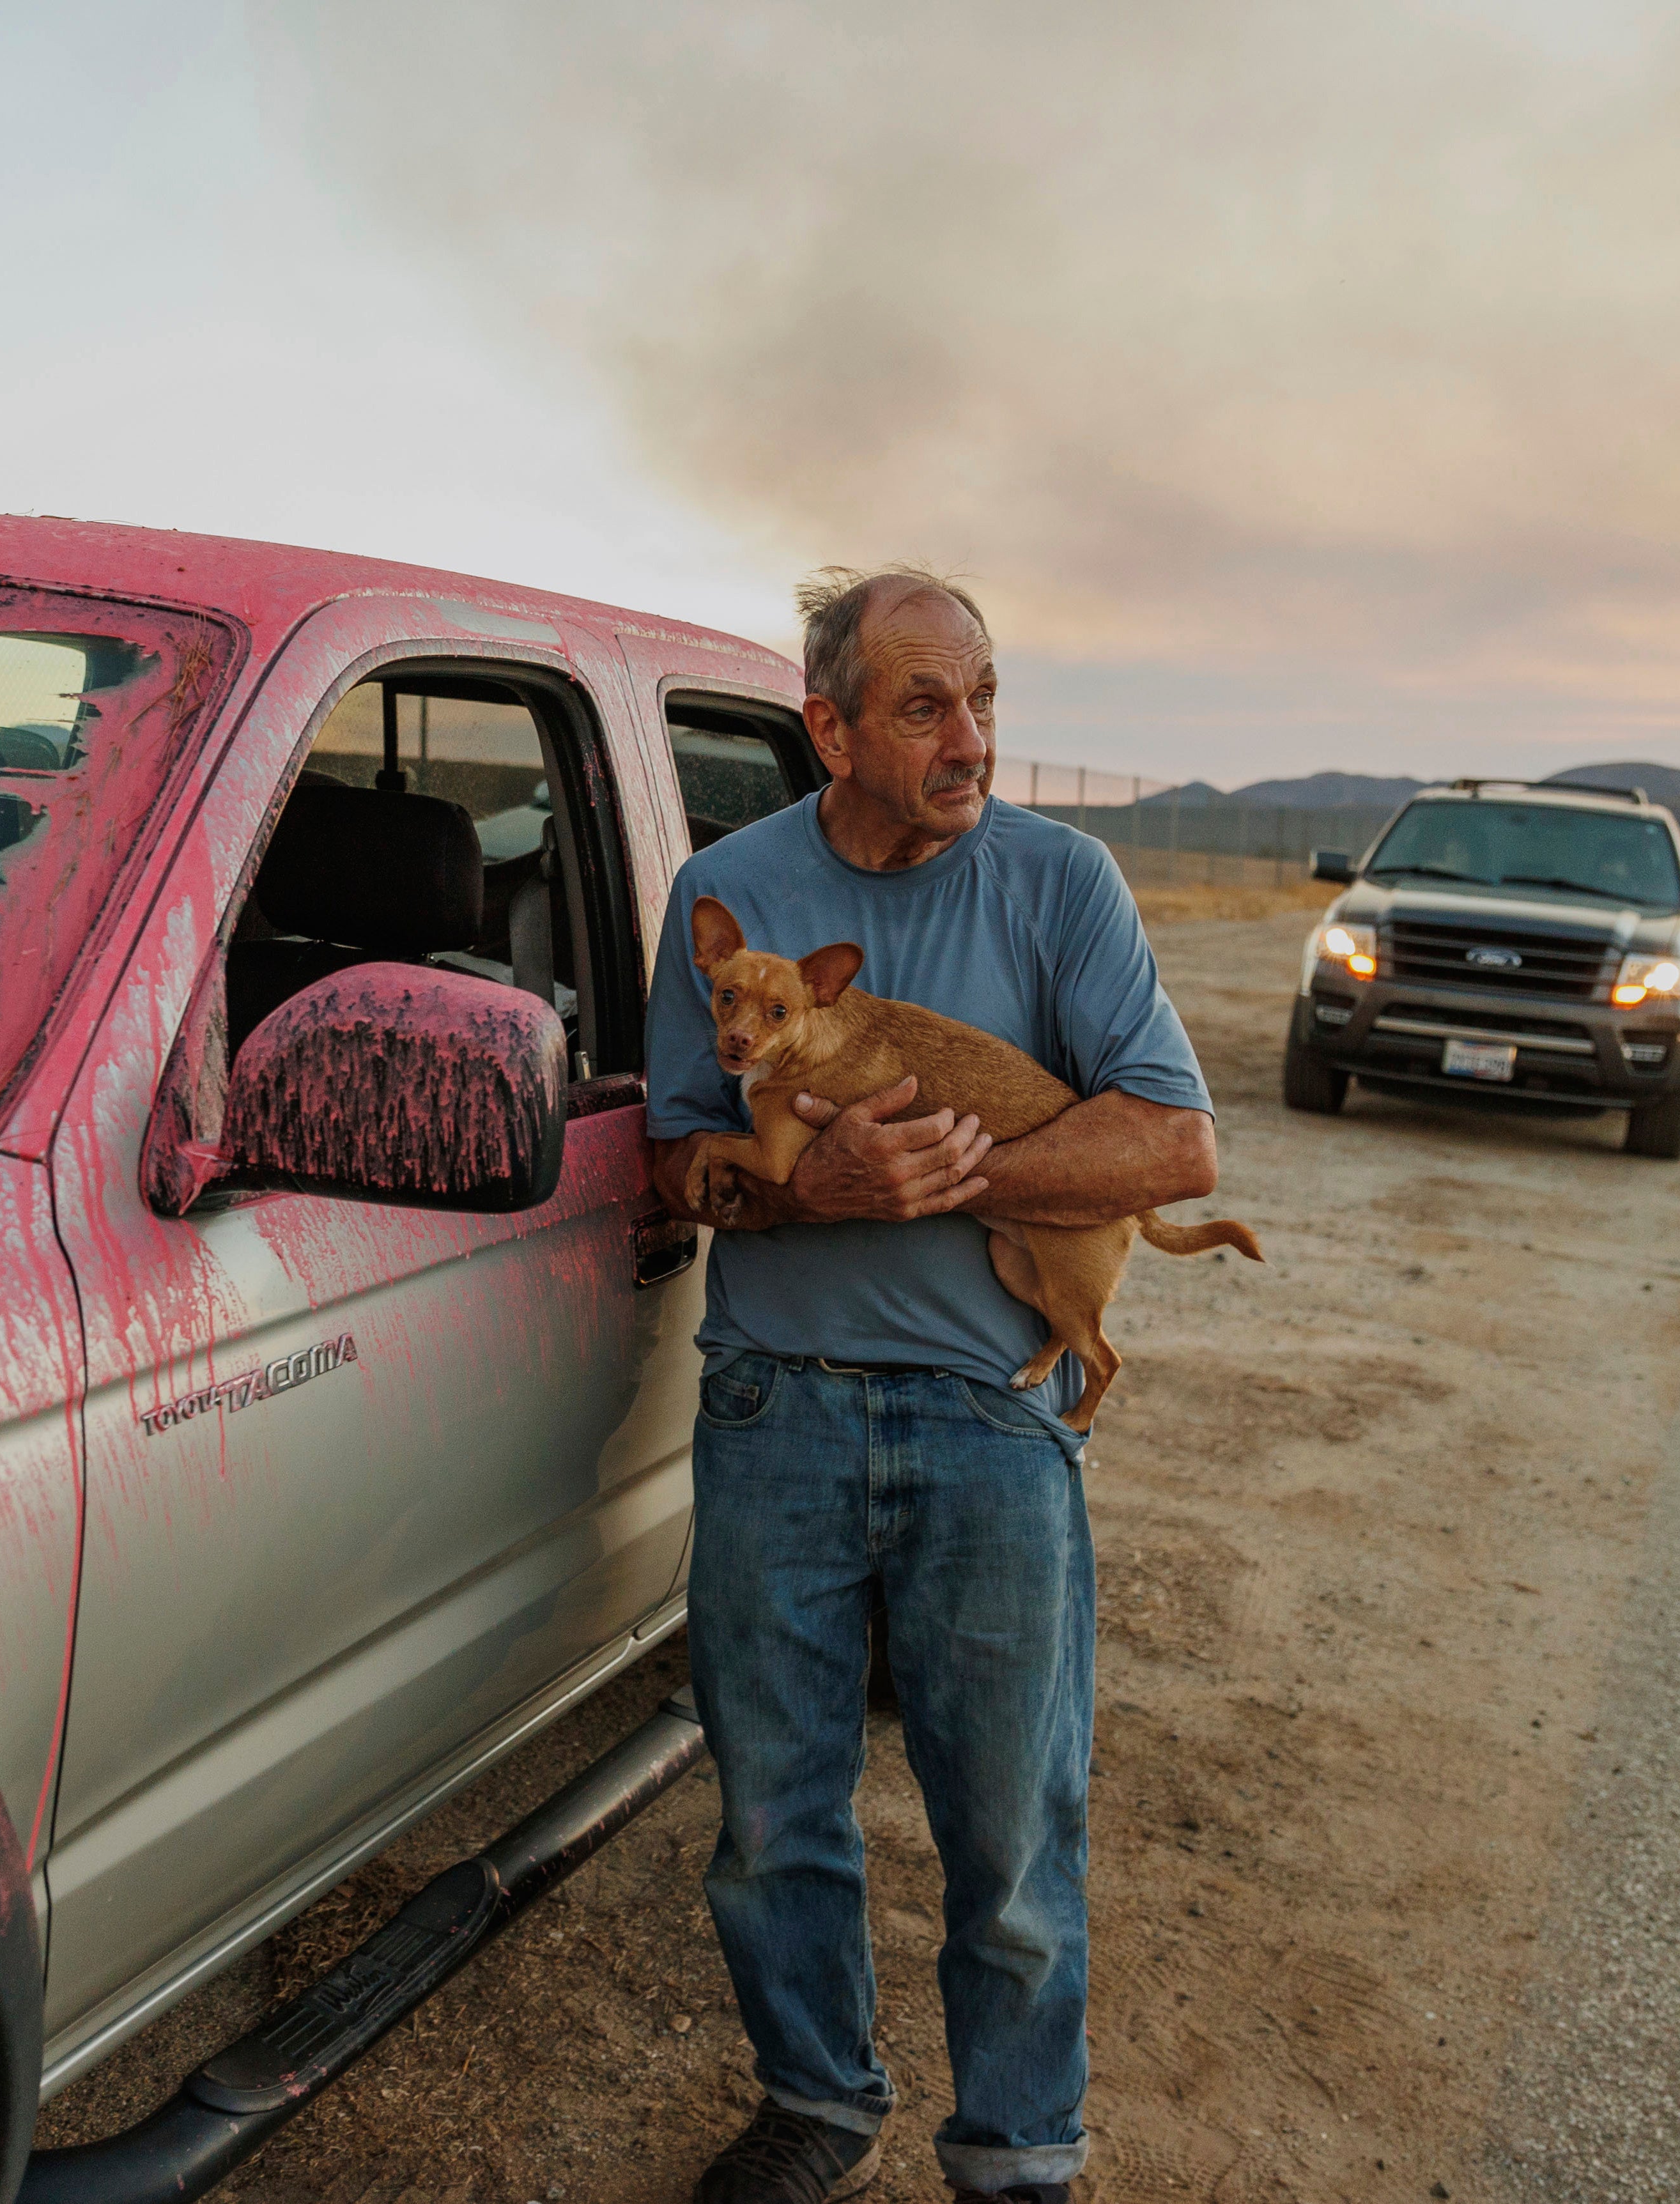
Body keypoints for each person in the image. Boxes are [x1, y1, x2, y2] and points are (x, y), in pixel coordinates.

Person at [645, 567, 1221, 2204]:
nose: (969, 737)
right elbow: (675, 1154)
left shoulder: (1061, 882)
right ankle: (816, 2102)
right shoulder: (728, 899)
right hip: (777, 1403)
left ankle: (1020, 2149)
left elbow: (1175, 1141)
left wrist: (943, 1171)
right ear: (826, 724)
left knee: (1014, 1837)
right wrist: (796, 1191)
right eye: (921, 705)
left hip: (988, 1417)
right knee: (772, 1817)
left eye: (982, 698)